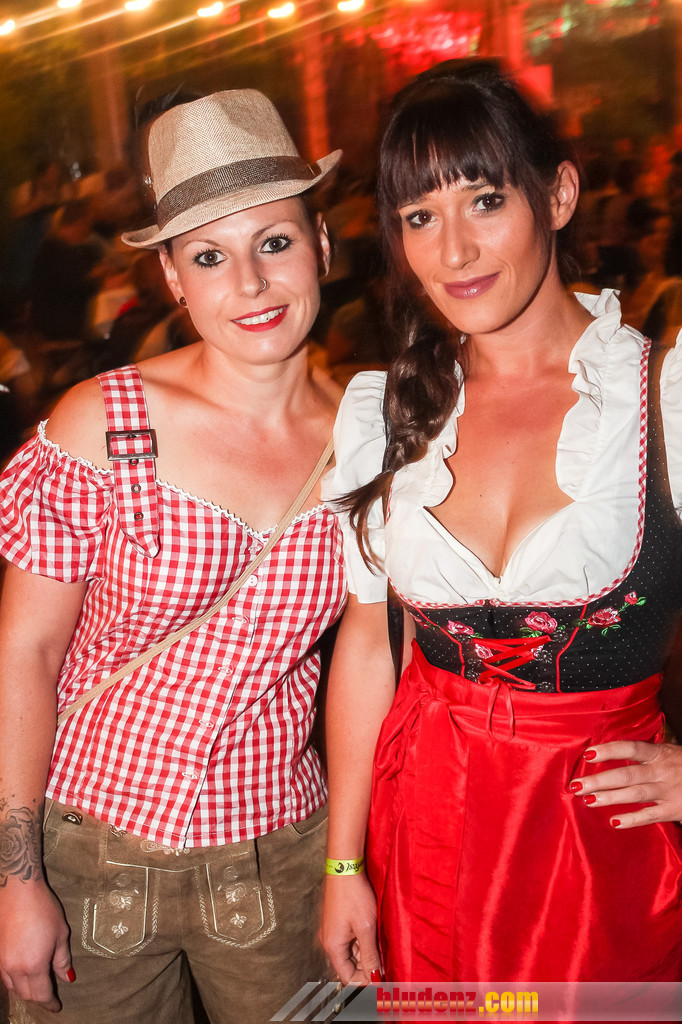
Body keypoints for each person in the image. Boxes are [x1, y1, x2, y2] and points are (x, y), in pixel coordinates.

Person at [321, 60, 682, 985]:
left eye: (484, 201)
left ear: (556, 195)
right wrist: (343, 866)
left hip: (601, 857)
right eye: (419, 217)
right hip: (425, 837)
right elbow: (369, 645)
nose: (454, 252)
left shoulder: (661, 398)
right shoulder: (385, 413)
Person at [0, 89, 345, 1024]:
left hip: (279, 854)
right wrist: (15, 880)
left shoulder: (369, 433)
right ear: (172, 278)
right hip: (91, 852)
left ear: (322, 245)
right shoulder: (105, 422)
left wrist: (348, 864)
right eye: (209, 256)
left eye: (275, 242)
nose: (251, 284)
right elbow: (26, 653)